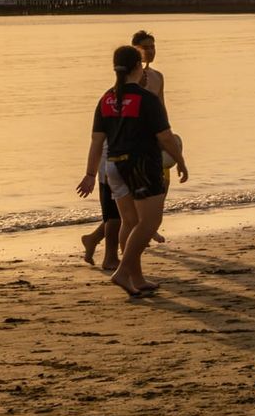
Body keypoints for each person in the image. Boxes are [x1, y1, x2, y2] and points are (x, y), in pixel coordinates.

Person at [77, 44, 188, 297]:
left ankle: (136, 278)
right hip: (141, 165)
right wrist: (180, 161)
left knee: (130, 221)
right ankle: (123, 271)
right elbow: (165, 137)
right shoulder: (145, 99)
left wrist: (90, 174)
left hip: (114, 166)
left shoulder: (106, 98)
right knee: (150, 222)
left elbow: (96, 141)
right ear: (138, 67)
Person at [79, 28, 171, 263]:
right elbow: (99, 137)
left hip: (146, 151)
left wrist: (168, 144)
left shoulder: (157, 78)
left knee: (132, 210)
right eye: (145, 48)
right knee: (118, 213)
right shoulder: (117, 92)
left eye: (153, 46)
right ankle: (114, 259)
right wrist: (90, 173)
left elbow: (161, 113)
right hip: (120, 153)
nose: (150, 51)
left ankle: (103, 244)